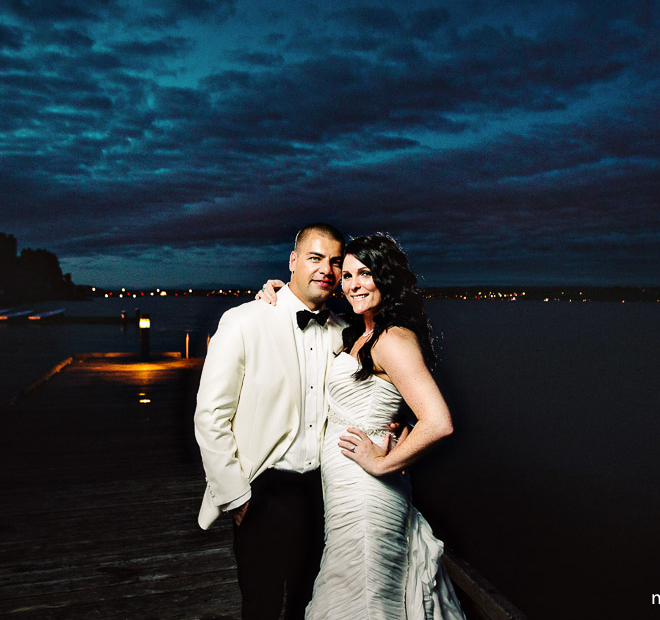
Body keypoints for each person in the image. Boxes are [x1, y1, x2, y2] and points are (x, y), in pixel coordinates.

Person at [260, 234, 467, 620]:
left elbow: (438, 421)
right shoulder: (360, 332)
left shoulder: (392, 339)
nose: (353, 284)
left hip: (367, 492)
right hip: (342, 492)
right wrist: (277, 294)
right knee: (352, 588)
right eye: (349, 274)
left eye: (366, 274)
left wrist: (381, 463)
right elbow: (389, 398)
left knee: (363, 597)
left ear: (386, 279)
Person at [193, 223, 346, 620]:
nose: (325, 269)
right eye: (314, 258)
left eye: (334, 261)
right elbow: (211, 416)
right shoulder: (244, 320)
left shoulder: (344, 333)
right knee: (259, 606)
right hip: (264, 491)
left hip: (325, 494)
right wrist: (236, 497)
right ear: (293, 261)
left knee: (310, 605)